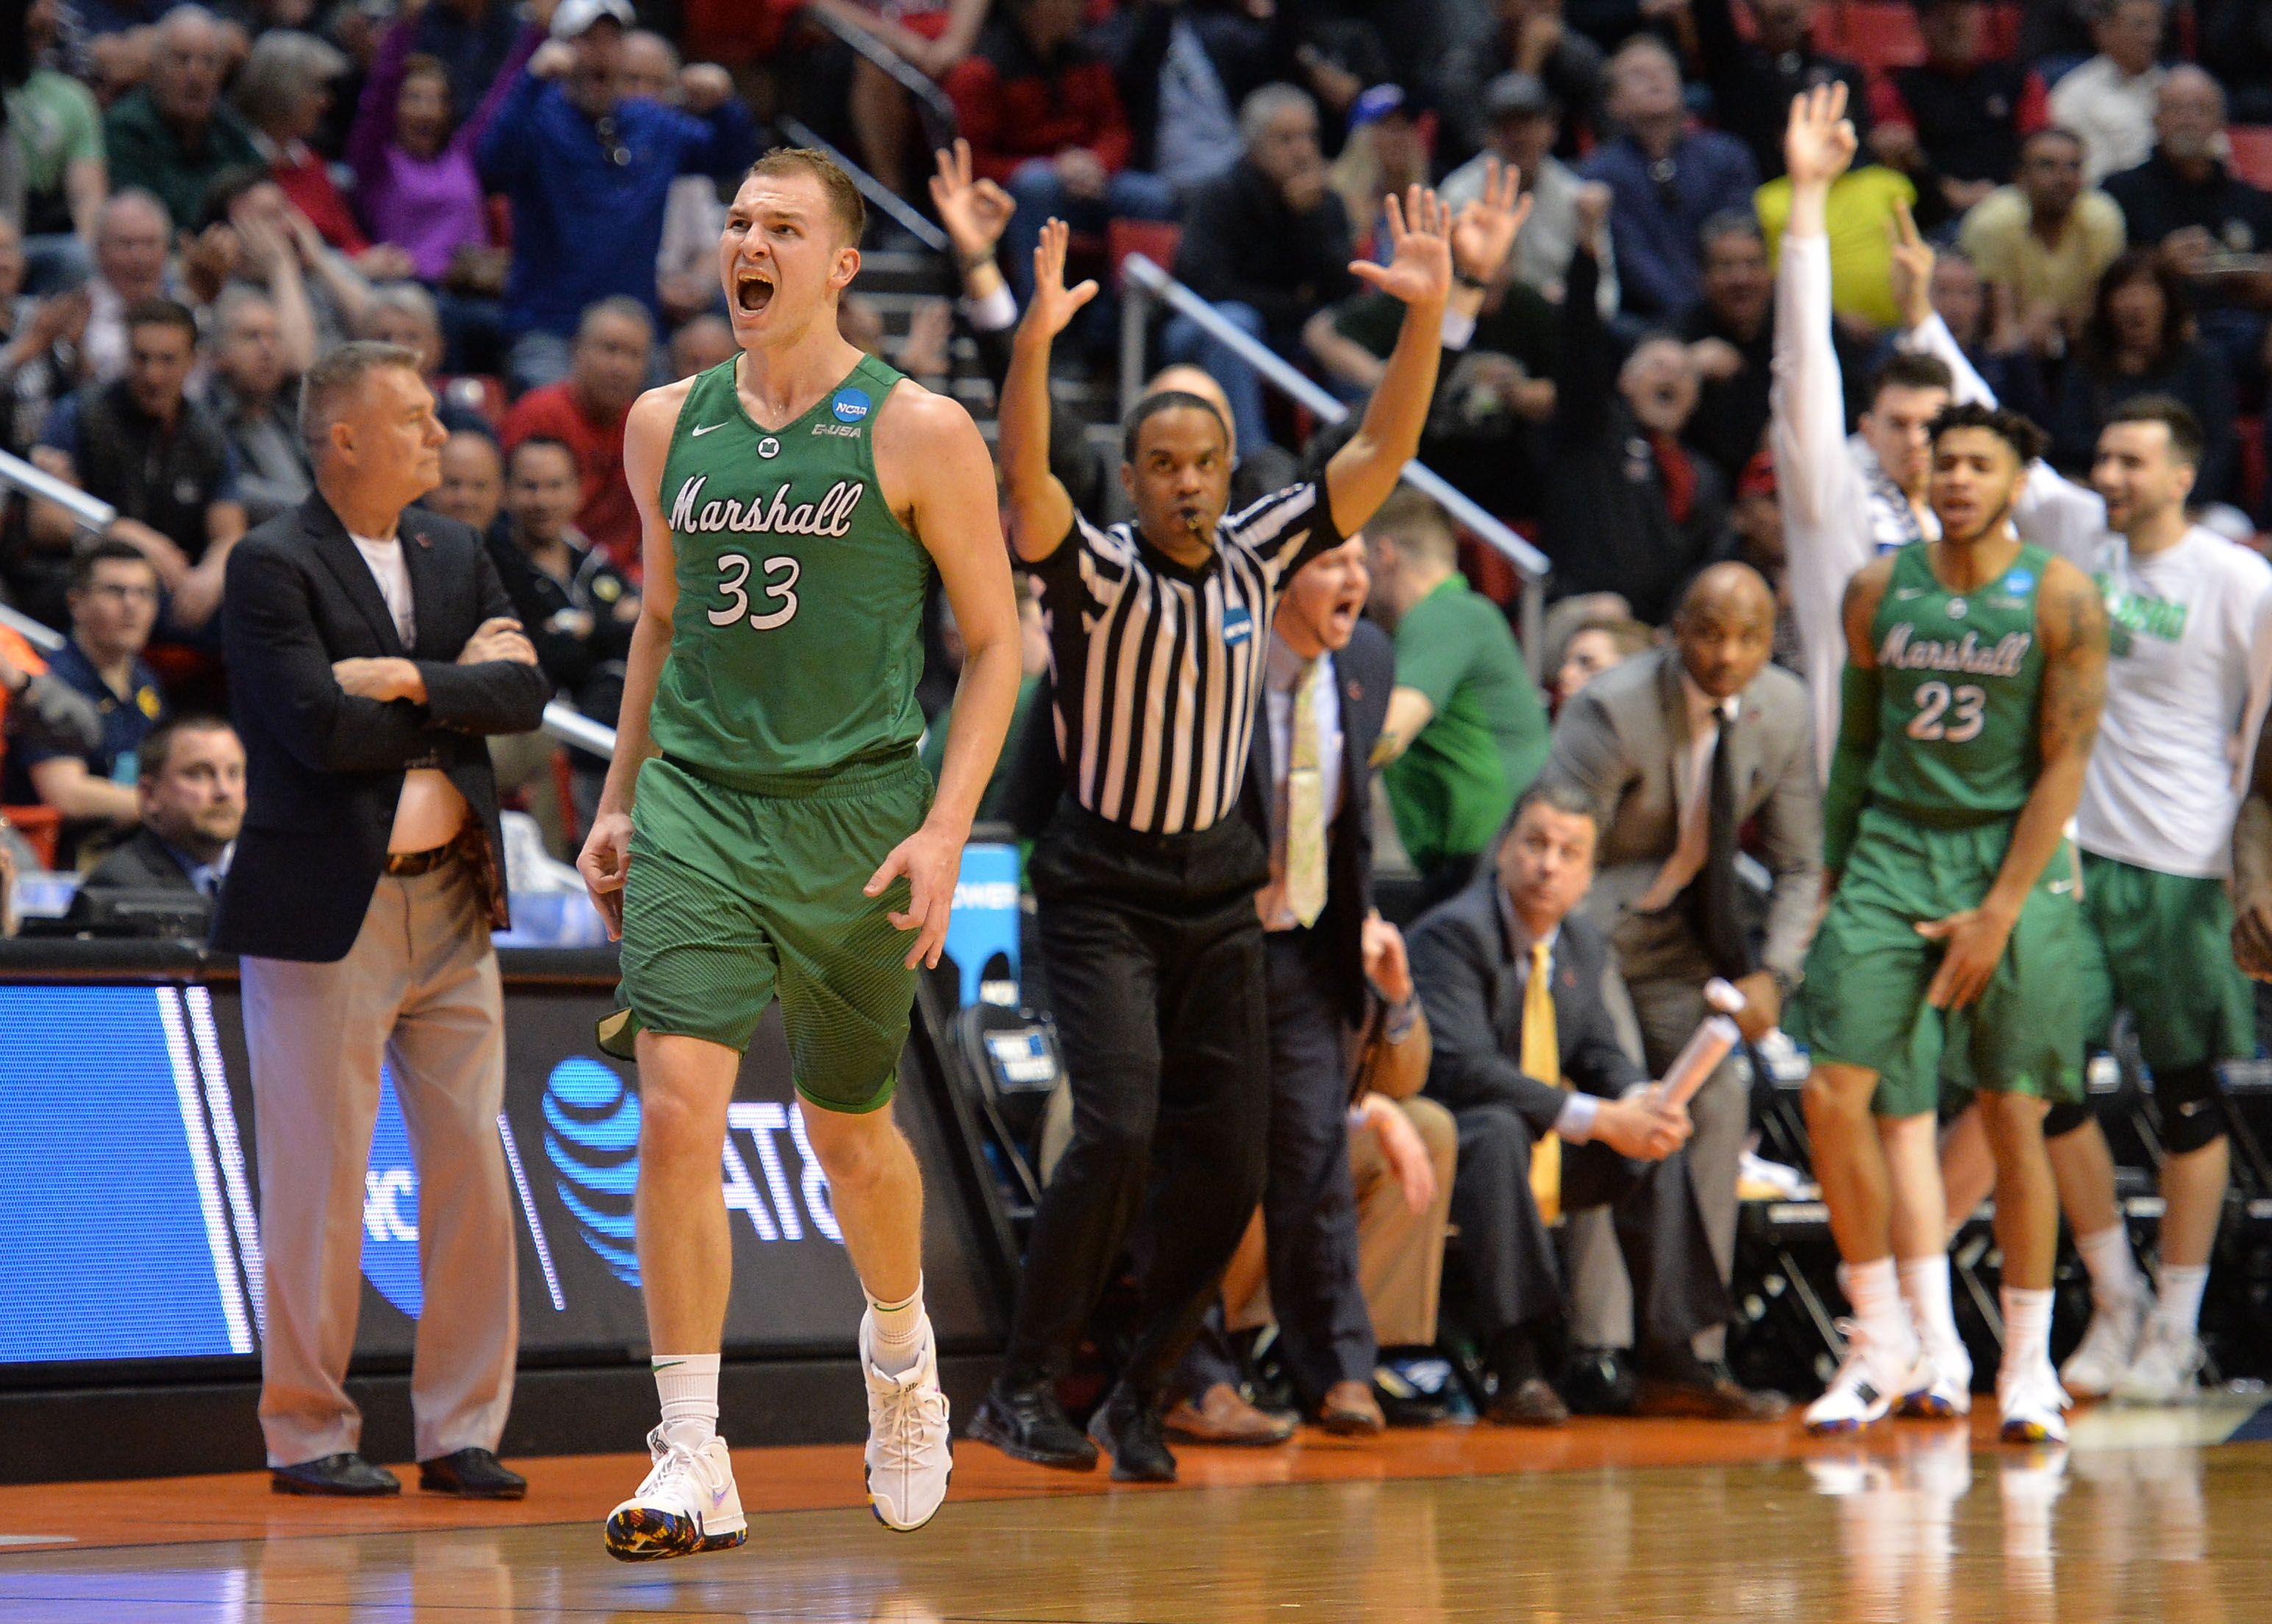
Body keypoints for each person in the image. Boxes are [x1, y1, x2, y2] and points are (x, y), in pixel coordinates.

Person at [972, 180, 1484, 1481]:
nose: (1187, 482)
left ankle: (1144, 1395)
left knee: (1236, 1162)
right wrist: (1027, 349)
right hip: (1100, 888)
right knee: (1117, 1129)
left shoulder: (1263, 551)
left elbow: (1379, 455)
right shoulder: (1092, 569)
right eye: (1162, 465)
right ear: (1131, 478)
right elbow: (1022, 475)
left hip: (1217, 893)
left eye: (1203, 462)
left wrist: (1424, 318)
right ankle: (1021, 1387)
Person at [573, 147, 1022, 1553]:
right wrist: (618, 795)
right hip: (699, 803)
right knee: (674, 1110)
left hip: (855, 819)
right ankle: (690, 1450)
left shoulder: (919, 428)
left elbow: (996, 645)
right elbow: (659, 619)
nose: (748, 244)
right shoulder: (664, 422)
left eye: (781, 226)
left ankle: (899, 1354)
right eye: (737, 223)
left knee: (849, 1136)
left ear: (840, 265)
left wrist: (944, 831)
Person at [213, 339, 552, 1497]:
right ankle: (308, 1432)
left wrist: (405, 680)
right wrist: (454, 689)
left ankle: (461, 1429)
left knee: (474, 1172)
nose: (440, 434)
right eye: (413, 417)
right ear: (346, 436)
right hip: (326, 911)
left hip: (452, 897)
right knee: (319, 1180)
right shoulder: (271, 563)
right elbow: (318, 730)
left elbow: (523, 694)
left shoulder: (454, 547)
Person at [1795, 389, 2109, 1444]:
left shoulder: (2060, 596)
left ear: (2016, 483)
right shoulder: (1876, 589)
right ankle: (1879, 1338)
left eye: (1980, 464)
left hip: (2012, 861)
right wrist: (1836, 875)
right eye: (1946, 462)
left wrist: (1999, 909)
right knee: (1832, 1092)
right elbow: (1855, 745)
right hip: (1892, 852)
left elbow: (2065, 761)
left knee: (2015, 1113)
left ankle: (2027, 1367)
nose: (1959, 478)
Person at [1410, 783, 1778, 1425]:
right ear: (1504, 849)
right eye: (1534, 844)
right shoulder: (1452, 935)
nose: (1547, 865)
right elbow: (1464, 1070)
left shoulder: (1581, 944)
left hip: (1537, 1142)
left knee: (1649, 1141)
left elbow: (1599, 1052)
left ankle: (1673, 1360)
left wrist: (1640, 1101)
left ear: (1588, 875)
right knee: (1496, 1131)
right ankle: (1517, 1366)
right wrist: (1599, 1118)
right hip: (1445, 1145)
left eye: (1568, 853)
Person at [1539, 563, 1817, 1403]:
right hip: (1587, 936)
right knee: (1623, 1099)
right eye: (1708, 633)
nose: (1726, 655)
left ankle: (1690, 1346)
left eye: (1748, 638)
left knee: (1719, 1099)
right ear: (1672, 634)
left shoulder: (1786, 709)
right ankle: (1597, 1345)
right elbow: (1555, 854)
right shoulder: (1611, 709)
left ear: (1770, 643)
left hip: (1681, 945)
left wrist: (1774, 974)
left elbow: (1802, 865)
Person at [1164, 535, 1412, 1439]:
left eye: (1361, 560)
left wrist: (1360, 915)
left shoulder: (1367, 657)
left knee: (1315, 1154)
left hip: (1310, 943)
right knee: (1206, 1166)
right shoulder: (1210, 660)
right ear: (1275, 576)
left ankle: (1338, 1371)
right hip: (1210, 944)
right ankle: (1194, 1377)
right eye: (1333, 561)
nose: (1356, 578)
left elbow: (1349, 814)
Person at [1771, 85, 1962, 777]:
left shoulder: (1972, 516)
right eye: (1898, 424)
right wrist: (1807, 201)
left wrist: (1921, 318)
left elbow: (1997, 432)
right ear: (1866, 430)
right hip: (1862, 799)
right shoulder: (1832, 498)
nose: (1915, 440)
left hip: (1960, 797)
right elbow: (1801, 364)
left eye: (1931, 427)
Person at [477, 0, 755, 393]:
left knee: (672, 420)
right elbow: (489, 168)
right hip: (551, 330)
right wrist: (532, 80)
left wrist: (724, 105)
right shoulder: (537, 118)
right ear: (562, 49)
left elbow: (730, 159)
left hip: (634, 330)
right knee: (551, 415)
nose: (601, 52)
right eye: (587, 40)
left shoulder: (651, 123)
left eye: (612, 40)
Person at [1538, 190, 1730, 624]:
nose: (1671, 376)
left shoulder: (1703, 477)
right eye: (1657, 366)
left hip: (1657, 635)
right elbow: (1580, 346)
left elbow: (1705, 564)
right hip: (1579, 616)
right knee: (1612, 611)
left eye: (1684, 372)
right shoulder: (1592, 431)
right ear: (1624, 382)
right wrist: (1588, 246)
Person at [1362, 489, 1550, 906]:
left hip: (1490, 860)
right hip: (1489, 858)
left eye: (1359, 563)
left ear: (1384, 555)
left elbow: (1386, 736)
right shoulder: (1464, 613)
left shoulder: (1445, 614)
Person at [29, 298, 244, 644]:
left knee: (256, 609)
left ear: (193, 361)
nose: (152, 375)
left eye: (167, 360)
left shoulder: (209, 433)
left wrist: (211, 576)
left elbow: (229, 533)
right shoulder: (80, 415)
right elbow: (45, 521)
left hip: (176, 585)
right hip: (91, 575)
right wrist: (124, 534)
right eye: (141, 358)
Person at [944, 0, 1175, 305]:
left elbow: (1116, 130)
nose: (1082, 7)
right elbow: (973, 162)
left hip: (1088, 180)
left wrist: (1097, 163)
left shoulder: (1089, 60)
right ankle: (1041, 314)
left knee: (1154, 198)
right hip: (1016, 194)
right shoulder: (980, 71)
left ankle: (1116, 321)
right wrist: (1054, 168)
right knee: (1037, 184)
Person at [1168, 84, 1356, 454]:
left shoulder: (1325, 204)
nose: (1303, 151)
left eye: (1310, 137)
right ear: (1253, 146)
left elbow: (1344, 292)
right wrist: (1300, 308)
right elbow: (1208, 288)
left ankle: (1356, 460)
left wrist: (1311, 220)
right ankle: (1251, 461)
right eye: (1286, 139)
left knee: (1343, 333)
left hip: (1290, 331)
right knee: (1237, 322)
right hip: (1204, 328)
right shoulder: (1219, 195)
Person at [2095, 68, 2272, 389]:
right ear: (2155, 120)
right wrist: (2160, 262)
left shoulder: (2254, 201)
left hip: (2242, 330)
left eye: (2200, 109)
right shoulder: (2118, 192)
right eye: (2176, 109)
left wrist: (2260, 282)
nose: (2188, 120)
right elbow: (2100, 279)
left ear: (2221, 123)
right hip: (2156, 334)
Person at [344, 2, 541, 288]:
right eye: (414, 98)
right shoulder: (374, 160)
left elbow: (503, 97)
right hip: (409, 290)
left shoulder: (463, 154)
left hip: (474, 289)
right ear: (395, 108)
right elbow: (379, 97)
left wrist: (537, 33)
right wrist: (407, 25)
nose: (427, 111)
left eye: (438, 100)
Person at [1, 539, 167, 866]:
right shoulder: (50, 680)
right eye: (115, 591)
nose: (131, 605)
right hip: (69, 854)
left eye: (144, 593)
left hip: (137, 844)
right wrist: (166, 806)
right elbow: (67, 795)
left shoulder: (146, 681)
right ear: (76, 603)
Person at [1578, 35, 1758, 325]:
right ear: (1613, 102)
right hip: (1646, 320)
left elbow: (1736, 235)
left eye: (1664, 71)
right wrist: (1691, 317)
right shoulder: (1601, 175)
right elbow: (1631, 258)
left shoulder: (1726, 155)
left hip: (1728, 309)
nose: (1655, 80)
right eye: (1638, 75)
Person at [2048, 251, 2235, 508]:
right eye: (2125, 291)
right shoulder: (2086, 369)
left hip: (2189, 503)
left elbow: (2218, 449)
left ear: (2167, 301)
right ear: (2106, 305)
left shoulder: (2203, 364)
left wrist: (2179, 502)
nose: (2136, 303)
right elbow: (2067, 444)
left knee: (2229, 524)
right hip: (2105, 500)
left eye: (2147, 290)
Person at [1437, 72, 1617, 314]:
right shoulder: (1459, 193)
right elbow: (1440, 289)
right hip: (1479, 319)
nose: (1518, 136)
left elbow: (1606, 300)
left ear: (1552, 128)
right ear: (1488, 134)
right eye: (1506, 126)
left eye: (1527, 123)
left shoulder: (1577, 196)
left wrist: (1570, 297)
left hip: (1556, 323)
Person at [497, 297, 650, 572]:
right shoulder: (538, 414)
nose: (620, 367)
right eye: (610, 349)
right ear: (577, 349)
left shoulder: (646, 426)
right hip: (543, 571)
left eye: (633, 355)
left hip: (622, 578)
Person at [1866, 0, 2050, 228]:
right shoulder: (1898, 89)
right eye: (1942, 15)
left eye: (1964, 12)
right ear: (1921, 24)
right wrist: (1950, 191)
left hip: (2018, 205)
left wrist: (2007, 194)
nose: (1955, 24)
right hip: (1937, 213)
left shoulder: (2019, 80)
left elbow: (2040, 144)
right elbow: (1902, 157)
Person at [102, 6, 263, 238]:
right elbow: (135, 223)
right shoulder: (126, 128)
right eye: (181, 59)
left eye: (209, 62)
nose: (196, 75)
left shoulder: (232, 131)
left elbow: (260, 190)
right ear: (155, 67)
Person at [1956, 127, 2126, 345]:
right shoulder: (1992, 222)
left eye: (2073, 166)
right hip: (2009, 344)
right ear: (2021, 176)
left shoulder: (2102, 219)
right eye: (2048, 166)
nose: (2063, 178)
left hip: (2084, 339)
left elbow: (2099, 309)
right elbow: (1999, 325)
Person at [68, 713, 243, 908]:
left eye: (233, 773)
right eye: (198, 774)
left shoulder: (264, 875)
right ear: (149, 794)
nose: (224, 791)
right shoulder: (120, 887)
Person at [1689, 0, 1870, 182]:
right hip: (1762, 187)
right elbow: (1711, 18)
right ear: (1753, 9)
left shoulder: (1842, 73)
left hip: (1840, 183)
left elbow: (1860, 145)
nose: (1787, 5)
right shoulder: (1733, 69)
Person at [7, 0, 110, 292]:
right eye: (31, 3)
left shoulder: (71, 98)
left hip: (39, 243)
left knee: (79, 257)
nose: (43, 14)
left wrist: (91, 255)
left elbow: (89, 202)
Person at [1679, 211, 1777, 488]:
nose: (1741, 279)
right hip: (1715, 487)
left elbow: (1853, 402)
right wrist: (1687, 367)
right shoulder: (1684, 334)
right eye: (1726, 266)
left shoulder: (1802, 325)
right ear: (1703, 277)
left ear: (1770, 272)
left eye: (1752, 264)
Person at [206, 285, 313, 526]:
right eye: (251, 337)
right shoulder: (206, 418)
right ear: (218, 354)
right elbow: (237, 492)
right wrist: (327, 511)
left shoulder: (294, 407)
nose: (267, 349)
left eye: (274, 336)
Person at [2047, 0, 2166, 185]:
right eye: (2140, 25)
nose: (2153, 36)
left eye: (2157, 25)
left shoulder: (2173, 87)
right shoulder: (2076, 94)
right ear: (2103, 31)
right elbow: (2088, 174)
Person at [79, 188, 174, 387]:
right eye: (126, 244)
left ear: (166, 250)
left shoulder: (185, 304)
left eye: (149, 243)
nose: (139, 257)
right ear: (99, 251)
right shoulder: (77, 312)